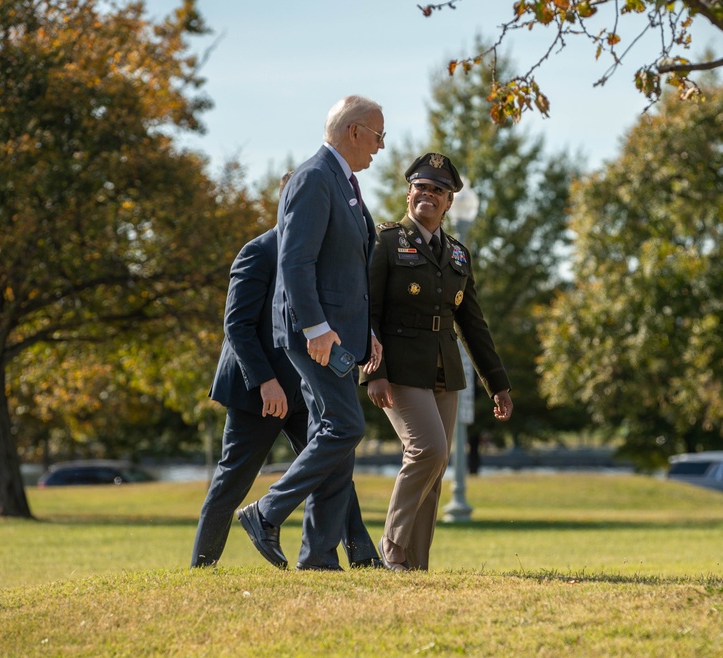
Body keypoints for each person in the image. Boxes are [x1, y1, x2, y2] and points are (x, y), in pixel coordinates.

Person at [191, 174, 381, 568]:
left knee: (334, 465)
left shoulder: (320, 255)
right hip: (257, 392)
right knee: (232, 482)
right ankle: (201, 567)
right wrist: (266, 383)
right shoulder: (258, 252)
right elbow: (238, 327)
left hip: (307, 385)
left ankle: (363, 557)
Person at [236, 95, 384, 571]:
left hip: (341, 335)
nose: (381, 147)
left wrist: (369, 332)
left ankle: (318, 557)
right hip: (315, 335)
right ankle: (266, 512)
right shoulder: (313, 177)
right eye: (378, 136)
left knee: (331, 436)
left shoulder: (345, 184)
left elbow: (348, 267)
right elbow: (294, 262)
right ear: (354, 131)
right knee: (346, 427)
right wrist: (317, 328)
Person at [362, 152, 513, 571]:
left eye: (438, 190)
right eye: (421, 187)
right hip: (399, 367)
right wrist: (373, 372)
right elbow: (367, 311)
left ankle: (414, 565)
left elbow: (473, 324)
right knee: (427, 450)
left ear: (449, 202)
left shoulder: (459, 255)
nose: (428, 195)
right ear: (409, 193)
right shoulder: (386, 241)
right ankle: (391, 546)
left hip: (445, 369)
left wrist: (497, 383)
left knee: (436, 465)